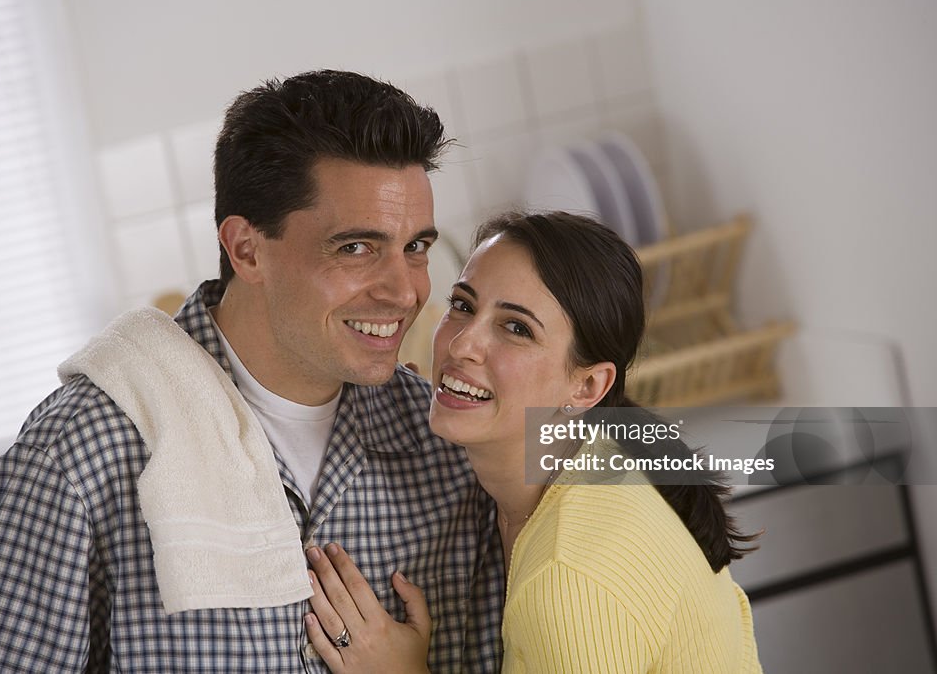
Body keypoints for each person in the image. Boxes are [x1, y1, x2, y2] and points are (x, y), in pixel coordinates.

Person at [0, 70, 505, 673]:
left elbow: (611, 456)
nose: (406, 291)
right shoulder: (75, 457)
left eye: (415, 247)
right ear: (246, 249)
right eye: (356, 248)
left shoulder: (448, 439)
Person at [304, 211, 763, 673]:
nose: (462, 344)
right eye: (463, 305)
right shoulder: (604, 458)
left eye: (517, 328)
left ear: (586, 387)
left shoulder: (566, 580)